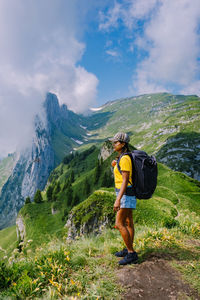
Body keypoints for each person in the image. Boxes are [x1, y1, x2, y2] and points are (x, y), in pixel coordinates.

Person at [109, 132, 138, 265]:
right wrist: (116, 165)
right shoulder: (123, 158)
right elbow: (123, 174)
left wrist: (118, 200)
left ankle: (131, 253)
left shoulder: (125, 158)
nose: (114, 144)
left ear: (123, 144)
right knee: (128, 221)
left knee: (119, 223)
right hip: (127, 193)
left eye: (116, 142)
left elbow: (125, 180)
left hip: (125, 193)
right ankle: (128, 249)